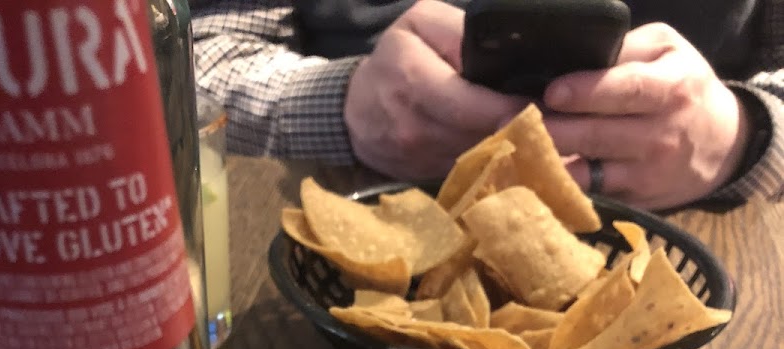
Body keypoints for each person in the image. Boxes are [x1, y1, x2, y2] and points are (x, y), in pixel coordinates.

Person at [191, 0, 784, 210]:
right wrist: (336, 105)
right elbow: (191, 51)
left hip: (691, 250)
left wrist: (747, 135)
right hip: (346, 234)